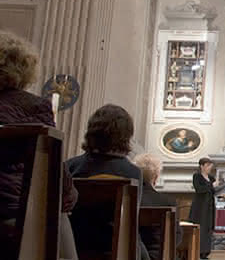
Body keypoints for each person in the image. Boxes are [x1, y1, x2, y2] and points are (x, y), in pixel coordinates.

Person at [0, 30, 78, 260]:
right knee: (56, 208)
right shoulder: (35, 107)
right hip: (17, 217)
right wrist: (70, 198)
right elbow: (57, 179)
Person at [66, 104, 149, 260]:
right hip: (115, 250)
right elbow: (131, 222)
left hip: (76, 248)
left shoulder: (70, 166)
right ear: (126, 136)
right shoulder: (132, 172)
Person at [133, 153, 182, 260]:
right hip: (159, 255)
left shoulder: (129, 199)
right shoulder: (168, 202)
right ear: (156, 177)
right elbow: (176, 236)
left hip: (132, 254)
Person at [189, 157, 217, 260]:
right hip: (200, 206)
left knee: (208, 228)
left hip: (209, 205)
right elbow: (199, 189)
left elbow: (213, 191)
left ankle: (205, 252)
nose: (210, 168)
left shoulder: (211, 177)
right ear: (202, 166)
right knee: (200, 227)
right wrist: (211, 185)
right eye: (208, 165)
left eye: (211, 166)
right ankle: (198, 251)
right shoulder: (197, 176)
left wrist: (219, 188)